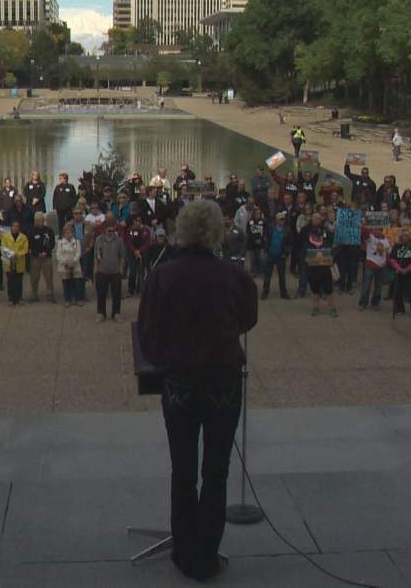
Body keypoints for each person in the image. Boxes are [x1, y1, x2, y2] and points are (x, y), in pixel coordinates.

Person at [136, 199, 257, 583]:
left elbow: (148, 333)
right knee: (216, 472)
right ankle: (206, 554)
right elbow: (246, 320)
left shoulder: (163, 276)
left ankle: (185, 554)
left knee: (184, 472)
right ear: (217, 232)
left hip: (181, 386)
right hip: (223, 382)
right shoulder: (234, 276)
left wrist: (169, 358)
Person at [301, 212, 337, 317]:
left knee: (329, 291)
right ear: (312, 235)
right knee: (315, 290)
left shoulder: (325, 243)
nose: (318, 237)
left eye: (319, 235)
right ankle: (315, 308)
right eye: (316, 235)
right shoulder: (307, 244)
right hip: (313, 271)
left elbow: (332, 254)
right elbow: (304, 257)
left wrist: (330, 259)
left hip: (325, 271)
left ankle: (333, 308)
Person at [93, 215, 126, 322]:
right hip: (102, 270)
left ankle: (116, 313)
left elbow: (122, 256)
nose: (110, 232)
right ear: (105, 229)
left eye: (112, 230)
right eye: (108, 230)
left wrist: (121, 269)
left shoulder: (119, 240)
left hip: (115, 271)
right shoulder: (99, 240)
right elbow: (96, 256)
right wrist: (96, 270)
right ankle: (101, 313)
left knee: (116, 294)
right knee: (101, 293)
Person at [390, 229, 411, 317]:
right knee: (398, 291)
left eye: (407, 235)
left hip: (410, 273)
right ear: (401, 236)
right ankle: (400, 309)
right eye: (404, 235)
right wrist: (399, 268)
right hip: (399, 272)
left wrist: (407, 269)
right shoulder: (396, 246)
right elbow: (392, 259)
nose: (405, 237)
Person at [358, 226, 390, 311]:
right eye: (376, 229)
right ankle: (363, 303)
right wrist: (364, 225)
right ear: (373, 230)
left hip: (381, 266)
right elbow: (364, 233)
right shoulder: (370, 238)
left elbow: (388, 253)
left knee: (379, 287)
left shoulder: (386, 241)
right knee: (366, 286)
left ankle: (375, 303)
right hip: (370, 265)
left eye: (380, 230)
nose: (378, 231)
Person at [28, 212, 56, 303]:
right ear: (35, 221)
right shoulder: (31, 231)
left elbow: (52, 244)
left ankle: (50, 294)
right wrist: (37, 253)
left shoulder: (49, 231)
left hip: (47, 257)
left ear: (44, 220)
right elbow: (29, 245)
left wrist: (46, 252)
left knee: (49, 276)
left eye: (41, 219)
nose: (40, 221)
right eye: (38, 220)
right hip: (35, 258)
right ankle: (34, 294)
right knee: (34, 277)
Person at [2, 220, 29, 306]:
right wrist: (11, 254)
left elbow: (25, 249)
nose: (15, 227)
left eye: (17, 226)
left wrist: (18, 254)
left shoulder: (23, 237)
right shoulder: (6, 237)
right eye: (14, 226)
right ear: (11, 227)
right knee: (10, 281)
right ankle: (11, 298)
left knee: (18, 281)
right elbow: (3, 247)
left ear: (19, 227)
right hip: (9, 261)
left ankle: (19, 298)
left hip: (19, 261)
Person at [56, 223, 83, 307]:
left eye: (70, 233)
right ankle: (67, 300)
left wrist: (73, 261)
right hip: (64, 266)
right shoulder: (60, 242)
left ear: (73, 233)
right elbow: (58, 255)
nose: (68, 234)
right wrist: (65, 262)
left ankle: (78, 299)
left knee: (77, 283)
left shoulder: (77, 241)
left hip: (75, 265)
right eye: (66, 233)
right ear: (64, 234)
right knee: (66, 284)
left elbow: (78, 253)